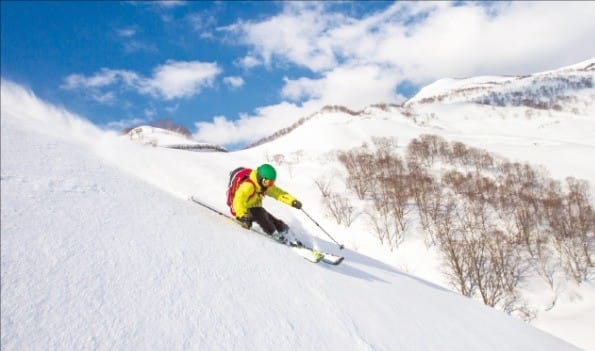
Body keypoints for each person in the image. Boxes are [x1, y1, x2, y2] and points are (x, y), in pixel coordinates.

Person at [230, 164, 302, 242]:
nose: (270, 185)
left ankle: (284, 230)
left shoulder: (264, 185)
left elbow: (278, 193)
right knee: (261, 216)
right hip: (240, 209)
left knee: (268, 217)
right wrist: (242, 216)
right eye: (269, 183)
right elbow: (238, 200)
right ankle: (274, 233)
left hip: (254, 207)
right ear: (261, 179)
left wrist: (292, 201)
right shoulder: (248, 186)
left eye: (272, 183)